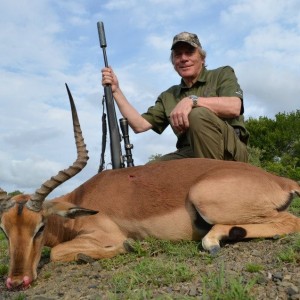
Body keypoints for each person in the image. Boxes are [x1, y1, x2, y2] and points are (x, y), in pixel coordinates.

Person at [101, 31, 249, 163]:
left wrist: (192, 100)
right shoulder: (168, 96)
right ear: (173, 62)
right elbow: (139, 125)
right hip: (189, 152)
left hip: (228, 148)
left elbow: (234, 107)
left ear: (202, 58)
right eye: (178, 54)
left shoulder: (222, 74)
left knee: (197, 114)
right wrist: (116, 90)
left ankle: (214, 182)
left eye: (190, 52)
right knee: (150, 171)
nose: (183, 58)